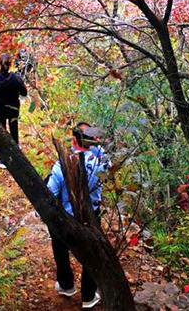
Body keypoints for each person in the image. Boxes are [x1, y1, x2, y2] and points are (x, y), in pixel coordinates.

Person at [46, 122, 108, 309]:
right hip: (92, 215)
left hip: (67, 217)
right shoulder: (102, 162)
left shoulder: (61, 165)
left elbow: (51, 193)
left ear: (74, 140)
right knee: (91, 253)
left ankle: (66, 285)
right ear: (92, 141)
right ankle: (89, 296)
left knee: (59, 246)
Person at [0, 54, 27, 159]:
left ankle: (3, 157)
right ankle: (16, 152)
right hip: (13, 109)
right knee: (14, 128)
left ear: (0, 63)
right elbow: (24, 93)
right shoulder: (16, 78)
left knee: (1, 131)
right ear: (11, 64)